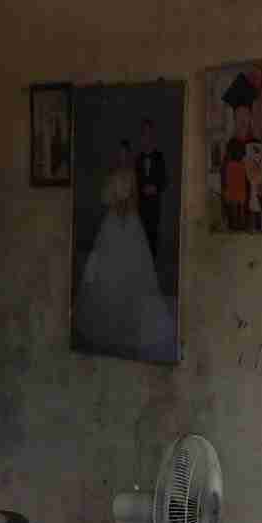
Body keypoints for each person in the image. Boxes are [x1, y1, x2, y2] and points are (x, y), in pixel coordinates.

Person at [76, 139, 179, 361]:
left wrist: (127, 207)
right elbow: (105, 196)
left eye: (125, 153)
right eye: (119, 153)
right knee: (108, 270)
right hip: (113, 221)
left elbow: (136, 197)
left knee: (134, 268)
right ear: (117, 155)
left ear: (128, 155)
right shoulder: (112, 173)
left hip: (130, 220)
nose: (122, 156)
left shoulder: (132, 173)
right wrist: (116, 205)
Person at [135, 116, 168, 258]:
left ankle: (152, 267)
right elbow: (135, 181)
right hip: (141, 204)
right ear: (142, 136)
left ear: (152, 135)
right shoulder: (138, 159)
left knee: (152, 236)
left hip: (154, 205)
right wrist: (140, 188)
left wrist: (155, 188)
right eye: (144, 133)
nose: (147, 137)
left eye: (149, 133)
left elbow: (164, 180)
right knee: (140, 237)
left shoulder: (159, 157)